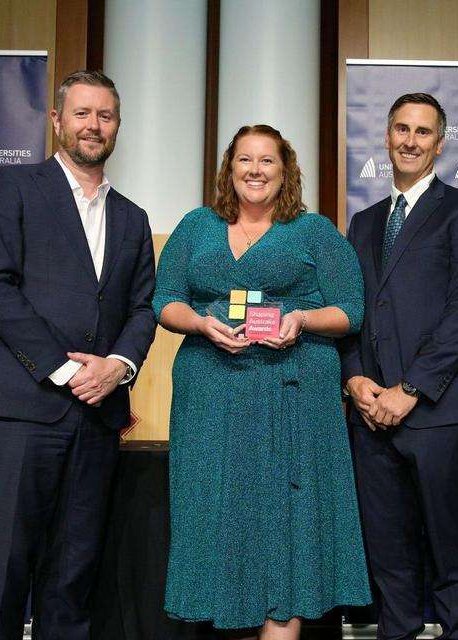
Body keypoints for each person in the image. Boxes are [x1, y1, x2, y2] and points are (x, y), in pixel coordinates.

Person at [153, 124, 370, 636]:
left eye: (267, 161)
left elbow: (351, 311)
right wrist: (201, 323)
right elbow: (165, 301)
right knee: (221, 519)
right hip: (211, 395)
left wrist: (302, 321)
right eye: (245, 160)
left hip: (290, 395)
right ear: (229, 168)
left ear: (285, 170)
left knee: (284, 524)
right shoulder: (196, 225)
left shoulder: (313, 231)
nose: (255, 170)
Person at [0, 70, 156, 640]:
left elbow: (143, 309)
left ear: (117, 125)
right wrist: (69, 368)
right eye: (81, 113)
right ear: (56, 121)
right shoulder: (14, 186)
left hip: (97, 418)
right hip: (23, 411)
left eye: (105, 115)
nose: (93, 125)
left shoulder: (132, 217)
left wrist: (117, 367)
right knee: (5, 571)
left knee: (73, 577)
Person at [340, 93, 458, 640]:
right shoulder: (362, 223)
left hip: (440, 414)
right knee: (389, 561)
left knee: (453, 560)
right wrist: (357, 379)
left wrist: (409, 390)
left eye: (422, 132)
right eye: (401, 129)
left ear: (439, 142)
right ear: (386, 136)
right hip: (370, 420)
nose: (410, 140)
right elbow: (351, 312)